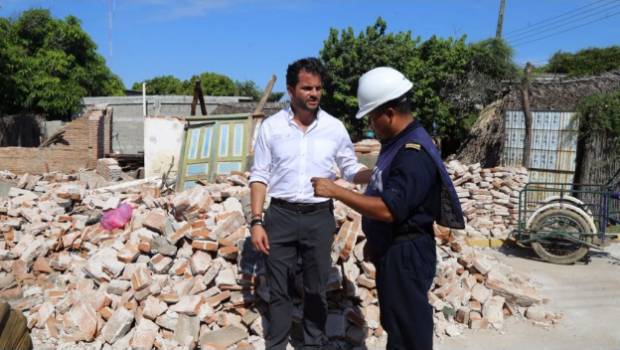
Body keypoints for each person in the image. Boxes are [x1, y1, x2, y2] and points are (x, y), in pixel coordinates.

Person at [311, 67, 465, 350]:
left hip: (406, 253)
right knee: (397, 324)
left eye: (372, 115)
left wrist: (336, 191)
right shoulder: (397, 143)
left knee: (409, 332)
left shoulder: (412, 152)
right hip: (394, 249)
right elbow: (386, 189)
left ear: (390, 112)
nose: (371, 122)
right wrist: (378, 241)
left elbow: (388, 209)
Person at [249, 57, 370, 350]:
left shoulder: (334, 128)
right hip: (280, 216)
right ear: (291, 91)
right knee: (279, 289)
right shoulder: (271, 128)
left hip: (318, 217)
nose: (313, 94)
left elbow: (350, 167)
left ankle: (314, 344)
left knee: (316, 288)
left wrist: (376, 173)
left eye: (318, 88)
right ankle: (276, 344)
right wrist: (256, 221)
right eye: (306, 88)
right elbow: (260, 175)